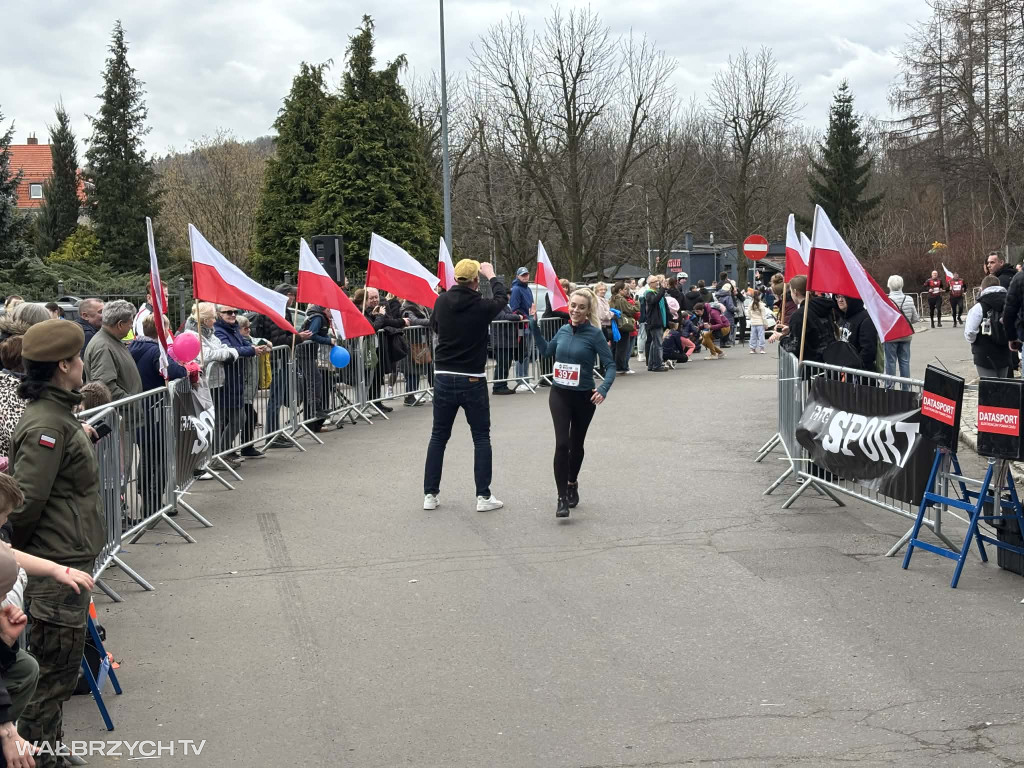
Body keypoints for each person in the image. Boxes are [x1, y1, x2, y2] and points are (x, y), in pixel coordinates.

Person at [9, 319, 107, 768]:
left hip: (63, 560)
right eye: (77, 357)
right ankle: (37, 758)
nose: (82, 363)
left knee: (60, 673)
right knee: (50, 676)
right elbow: (23, 503)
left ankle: (49, 750)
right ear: (64, 366)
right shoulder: (47, 423)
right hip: (55, 565)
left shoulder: (57, 416)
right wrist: (27, 561)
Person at [423, 259, 507, 512]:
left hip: (444, 374)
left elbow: (434, 326)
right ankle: (483, 496)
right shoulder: (481, 305)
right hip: (472, 376)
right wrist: (492, 275)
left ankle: (430, 494)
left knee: (438, 436)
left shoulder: (441, 301)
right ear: (474, 281)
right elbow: (502, 299)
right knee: (480, 437)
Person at [529, 288, 615, 518]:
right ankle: (561, 498)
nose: (575, 310)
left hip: (584, 397)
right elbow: (546, 351)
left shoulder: (594, 335)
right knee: (562, 444)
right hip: (559, 394)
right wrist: (533, 325)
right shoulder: (563, 330)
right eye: (573, 305)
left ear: (588, 311)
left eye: (581, 307)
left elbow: (610, 366)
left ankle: (572, 483)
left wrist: (603, 389)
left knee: (576, 445)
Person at [251, 285, 312, 448]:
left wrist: (296, 337)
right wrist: (299, 338)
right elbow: (277, 341)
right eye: (290, 295)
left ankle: (276, 433)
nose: (292, 298)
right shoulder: (273, 313)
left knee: (280, 398)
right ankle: (272, 436)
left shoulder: (284, 311)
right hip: (276, 361)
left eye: (293, 295)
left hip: (282, 359)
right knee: (275, 400)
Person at [214, 307, 265, 460]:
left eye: (235, 312)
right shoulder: (219, 331)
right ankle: (221, 454)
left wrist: (253, 347)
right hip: (224, 381)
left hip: (236, 380)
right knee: (221, 421)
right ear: (219, 314)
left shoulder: (234, 328)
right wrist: (251, 350)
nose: (233, 315)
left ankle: (223, 451)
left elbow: (244, 344)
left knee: (240, 418)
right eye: (228, 312)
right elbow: (230, 350)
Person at [354, 288, 409, 413]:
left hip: (379, 346)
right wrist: (380, 316)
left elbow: (386, 320)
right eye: (371, 298)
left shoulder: (379, 306)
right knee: (369, 377)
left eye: (376, 297)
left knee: (378, 375)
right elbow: (376, 325)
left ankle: (377, 402)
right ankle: (369, 403)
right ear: (365, 299)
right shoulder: (363, 310)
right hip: (368, 348)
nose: (374, 300)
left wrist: (383, 317)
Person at [83, 299, 142, 402]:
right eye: (130, 323)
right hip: (121, 410)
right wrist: (132, 403)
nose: (131, 327)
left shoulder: (111, 340)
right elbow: (105, 388)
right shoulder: (103, 346)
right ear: (120, 325)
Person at [769, 275, 835, 364]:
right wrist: (791, 329)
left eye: (791, 291)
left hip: (812, 362)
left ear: (795, 292)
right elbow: (815, 328)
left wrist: (780, 337)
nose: (791, 295)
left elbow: (794, 346)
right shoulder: (821, 306)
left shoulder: (799, 315)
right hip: (829, 359)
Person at [297, 304, 333, 433]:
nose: (332, 314)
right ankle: (315, 408)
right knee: (315, 379)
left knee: (315, 379)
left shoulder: (319, 317)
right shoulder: (318, 318)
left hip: (308, 353)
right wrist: (328, 341)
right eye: (332, 310)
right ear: (326, 309)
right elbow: (311, 335)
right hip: (304, 352)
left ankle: (316, 410)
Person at [967, 275, 1010, 378]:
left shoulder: (979, 307)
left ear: (982, 288)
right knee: (1003, 384)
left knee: (989, 385)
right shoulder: (1009, 304)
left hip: (984, 353)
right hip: (1004, 352)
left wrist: (974, 341)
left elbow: (970, 332)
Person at [884, 276, 921, 390]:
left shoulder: (886, 300)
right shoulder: (909, 299)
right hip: (905, 336)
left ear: (889, 285)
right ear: (902, 285)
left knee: (890, 363)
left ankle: (890, 388)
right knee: (905, 362)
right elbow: (915, 318)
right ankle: (906, 389)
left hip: (891, 336)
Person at [401, 300, 433, 406]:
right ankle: (409, 397)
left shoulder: (421, 308)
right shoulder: (408, 310)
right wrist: (431, 321)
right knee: (412, 372)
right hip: (411, 344)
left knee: (422, 369)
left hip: (420, 344)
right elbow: (414, 321)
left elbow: (432, 314)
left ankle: (413, 395)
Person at [836, 295, 879, 372]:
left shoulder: (866, 318)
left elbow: (868, 350)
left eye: (844, 297)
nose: (840, 300)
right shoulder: (842, 318)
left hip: (860, 372)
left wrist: (854, 367)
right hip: (846, 370)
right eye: (837, 297)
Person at [608, 282, 636, 374]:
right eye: (625, 289)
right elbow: (630, 310)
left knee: (615, 346)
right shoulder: (621, 299)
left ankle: (614, 366)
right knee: (623, 347)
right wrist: (637, 304)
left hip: (614, 324)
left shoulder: (611, 299)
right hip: (622, 324)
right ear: (620, 290)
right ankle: (621, 367)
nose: (627, 291)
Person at [643, 276, 668, 371]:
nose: (657, 282)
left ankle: (651, 365)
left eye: (658, 281)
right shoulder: (649, 293)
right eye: (655, 281)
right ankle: (658, 365)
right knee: (658, 344)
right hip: (654, 321)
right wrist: (662, 289)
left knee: (654, 343)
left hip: (658, 321)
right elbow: (654, 300)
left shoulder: (656, 293)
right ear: (650, 284)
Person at [748, 289, 767, 354]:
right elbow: (763, 316)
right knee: (761, 336)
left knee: (753, 336)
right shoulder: (761, 304)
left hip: (753, 322)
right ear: (759, 296)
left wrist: (751, 318)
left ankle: (752, 349)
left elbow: (748, 313)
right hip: (760, 322)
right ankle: (762, 349)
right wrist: (765, 324)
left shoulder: (750, 304)